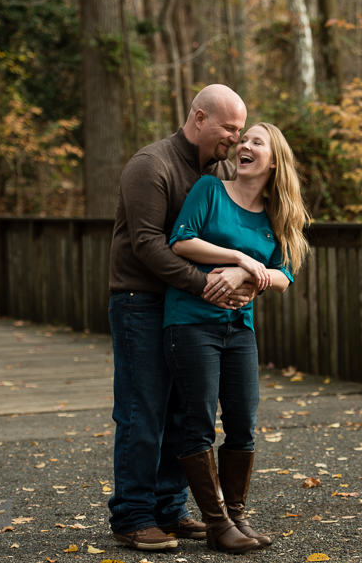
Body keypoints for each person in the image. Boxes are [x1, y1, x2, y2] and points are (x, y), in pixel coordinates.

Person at [107, 84, 260, 551]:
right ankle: (133, 516)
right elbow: (148, 242)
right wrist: (206, 284)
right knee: (142, 408)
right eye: (229, 128)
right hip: (141, 300)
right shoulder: (150, 166)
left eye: (240, 130)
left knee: (184, 409)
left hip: (189, 310)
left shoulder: (217, 171)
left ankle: (170, 509)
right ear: (198, 119)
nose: (235, 139)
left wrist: (247, 274)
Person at [163, 123, 310, 554]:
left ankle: (236, 516)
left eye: (255, 142)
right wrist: (241, 257)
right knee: (199, 423)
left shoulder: (275, 215)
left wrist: (249, 274)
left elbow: (284, 274)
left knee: (243, 424)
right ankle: (215, 524)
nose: (243, 145)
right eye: (243, 140)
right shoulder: (210, 190)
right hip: (190, 324)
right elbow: (181, 242)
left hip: (238, 329)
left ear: (273, 160)